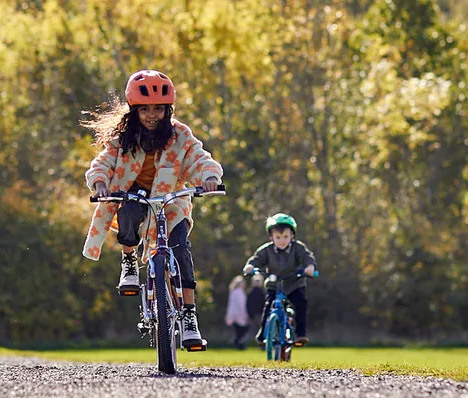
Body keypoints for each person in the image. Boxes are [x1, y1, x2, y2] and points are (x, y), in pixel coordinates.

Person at [82, 69, 223, 349]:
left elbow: (198, 157)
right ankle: (129, 261)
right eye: (145, 109)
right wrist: (99, 182)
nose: (151, 115)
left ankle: (188, 318)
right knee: (129, 214)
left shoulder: (179, 134)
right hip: (133, 194)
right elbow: (103, 162)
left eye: (159, 109)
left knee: (180, 249)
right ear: (134, 110)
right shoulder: (122, 138)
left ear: (168, 110)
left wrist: (209, 177)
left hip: (171, 200)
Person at [243, 213, 317, 345]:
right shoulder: (266, 250)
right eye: (278, 237)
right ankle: (263, 332)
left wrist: (309, 267)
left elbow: (306, 256)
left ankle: (300, 333)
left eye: (285, 237)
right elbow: (256, 260)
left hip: (294, 283)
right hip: (274, 283)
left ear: (292, 236)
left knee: (301, 304)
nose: (282, 240)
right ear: (271, 237)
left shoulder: (297, 248)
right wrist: (250, 267)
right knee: (268, 305)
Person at [224, 276, 250, 349]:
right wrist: (245, 313)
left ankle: (238, 343)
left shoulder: (233, 292)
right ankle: (239, 344)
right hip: (239, 314)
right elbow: (241, 304)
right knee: (242, 330)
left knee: (238, 331)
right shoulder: (239, 292)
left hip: (234, 314)